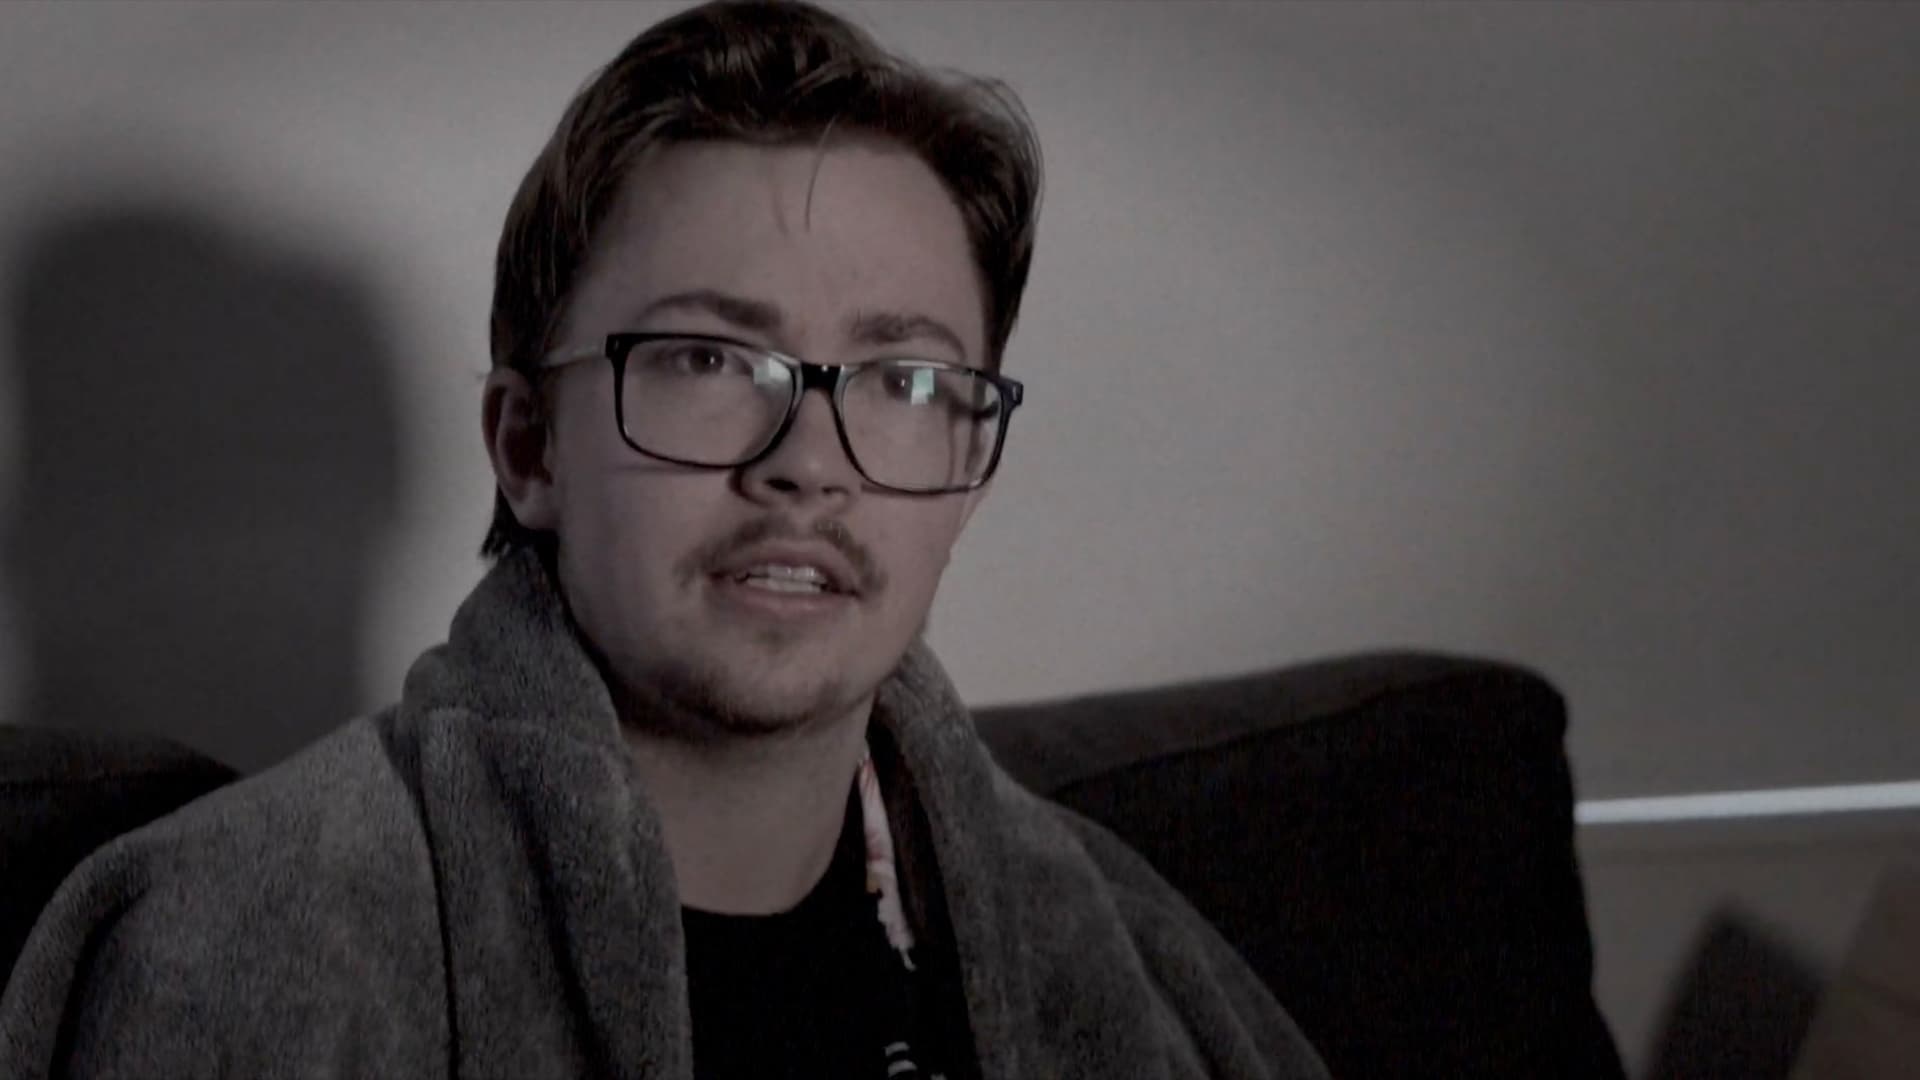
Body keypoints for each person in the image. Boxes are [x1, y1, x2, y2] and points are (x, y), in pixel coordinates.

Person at [0, 3, 1330, 1077]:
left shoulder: (1127, 958)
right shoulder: (251, 942)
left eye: (907, 381)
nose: (806, 462)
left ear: (972, 465)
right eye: (709, 359)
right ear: (528, 448)